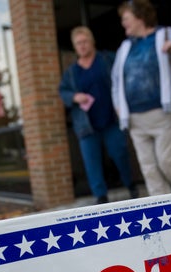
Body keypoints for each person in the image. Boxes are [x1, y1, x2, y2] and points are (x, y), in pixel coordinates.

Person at [111, 0, 171, 197]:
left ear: (139, 17)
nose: (123, 23)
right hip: (135, 119)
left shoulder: (166, 35)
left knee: (168, 160)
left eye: (126, 19)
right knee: (149, 169)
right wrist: (119, 106)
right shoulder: (124, 47)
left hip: (163, 113)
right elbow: (116, 81)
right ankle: (162, 213)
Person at [59, 26, 138, 204]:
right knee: (91, 161)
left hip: (111, 119)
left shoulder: (107, 59)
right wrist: (74, 96)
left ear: (92, 41)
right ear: (74, 46)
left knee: (120, 153)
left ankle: (130, 184)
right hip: (86, 124)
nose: (82, 46)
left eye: (85, 41)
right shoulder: (71, 72)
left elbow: (123, 77)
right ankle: (100, 196)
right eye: (78, 43)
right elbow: (63, 91)